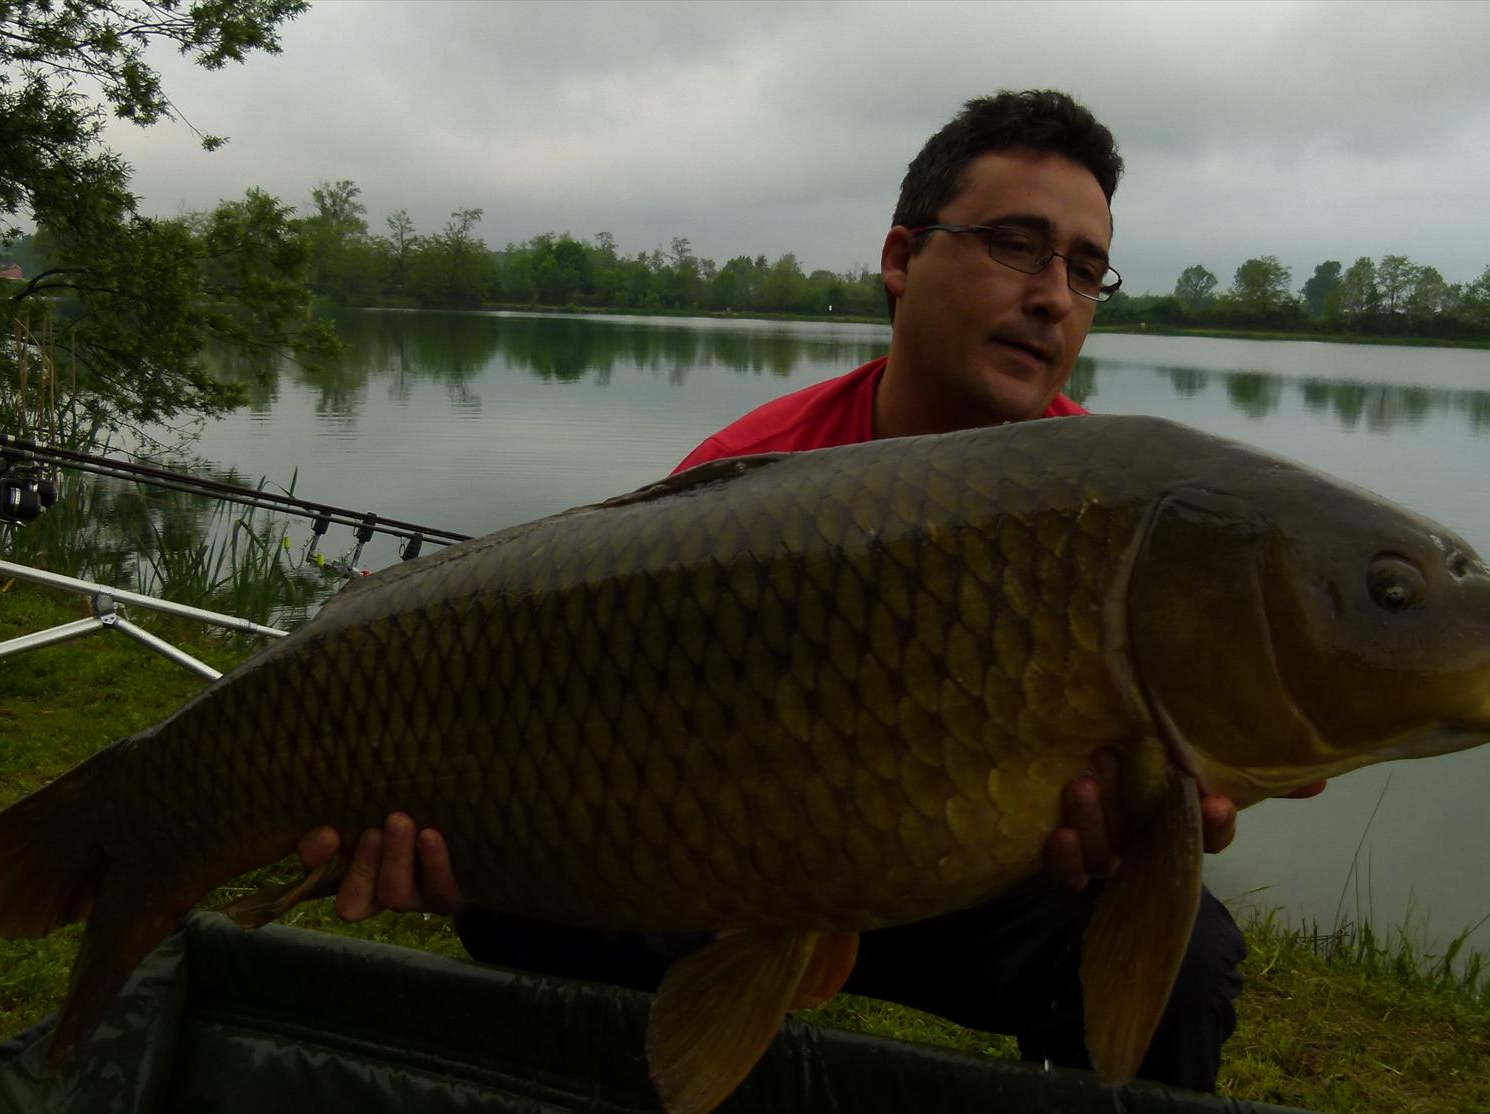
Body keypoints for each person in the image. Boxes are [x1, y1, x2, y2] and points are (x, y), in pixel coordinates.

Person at [297, 89, 1321, 1092]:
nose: (1054, 292)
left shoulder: (1117, 515)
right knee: (513, 887)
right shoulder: (748, 477)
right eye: (1015, 243)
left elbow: (1153, 782)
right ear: (902, 258)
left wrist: (1146, 826)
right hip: (731, 854)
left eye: (1087, 267)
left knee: (1187, 959)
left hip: (970, 871)